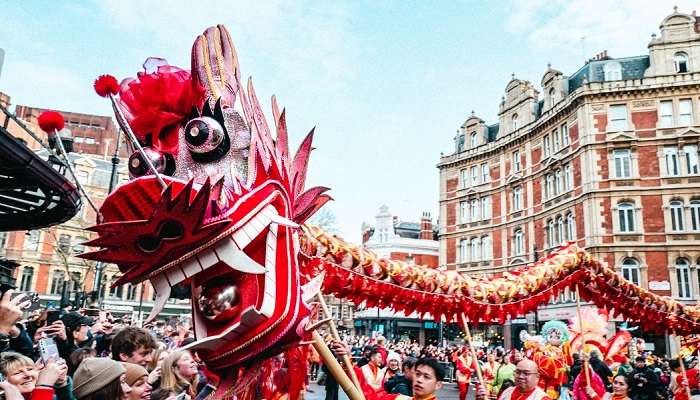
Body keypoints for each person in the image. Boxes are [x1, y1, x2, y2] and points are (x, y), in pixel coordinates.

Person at [0, 351, 71, 400]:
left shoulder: (52, 397)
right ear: (2, 381)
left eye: (30, 369)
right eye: (17, 373)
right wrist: (44, 385)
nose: (28, 375)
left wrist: (61, 384)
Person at [479, 359, 550, 400]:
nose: (521, 376)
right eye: (518, 372)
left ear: (537, 377)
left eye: (526, 373)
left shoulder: (542, 398)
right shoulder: (507, 392)